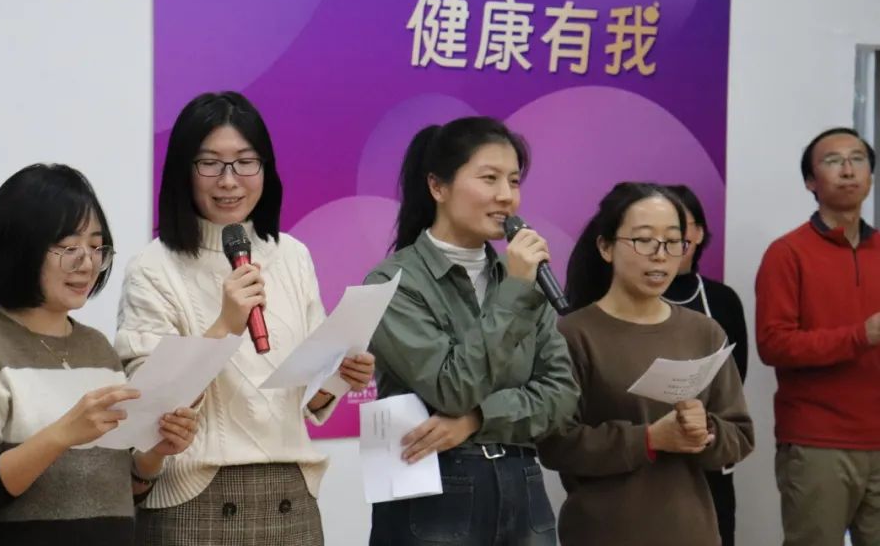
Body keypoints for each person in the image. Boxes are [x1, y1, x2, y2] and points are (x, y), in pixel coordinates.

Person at [114, 91, 375, 546]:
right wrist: (224, 327)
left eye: (245, 162)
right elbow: (149, 410)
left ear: (265, 168)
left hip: (292, 501)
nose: (229, 180)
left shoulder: (293, 256)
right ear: (183, 171)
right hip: (194, 507)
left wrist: (338, 377)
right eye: (210, 163)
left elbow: (304, 397)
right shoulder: (152, 268)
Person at [0, 164, 198, 545]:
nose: (87, 262)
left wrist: (153, 455)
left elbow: (114, 494)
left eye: (96, 247)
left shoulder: (98, 350)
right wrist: (62, 434)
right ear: (19, 248)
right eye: (68, 247)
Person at [365, 116, 579, 546]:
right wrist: (515, 291)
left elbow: (562, 396)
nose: (506, 196)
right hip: (434, 497)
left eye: (514, 181)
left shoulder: (521, 278)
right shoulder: (394, 283)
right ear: (437, 187)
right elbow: (451, 389)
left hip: (523, 488)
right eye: (489, 178)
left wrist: (479, 419)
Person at [537, 181, 754, 546]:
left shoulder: (704, 332)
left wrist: (705, 431)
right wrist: (650, 439)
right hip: (603, 533)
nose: (660, 254)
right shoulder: (572, 334)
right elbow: (556, 445)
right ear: (606, 247)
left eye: (672, 241)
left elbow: (740, 435)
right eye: (643, 240)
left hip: (692, 531)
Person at [755, 127, 880, 546]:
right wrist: (859, 336)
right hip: (817, 442)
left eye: (857, 159)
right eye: (832, 161)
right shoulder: (787, 253)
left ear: (870, 176)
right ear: (810, 181)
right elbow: (774, 344)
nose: (848, 170)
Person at [663, 184, 748, 546]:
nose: (671, 237)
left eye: (680, 225)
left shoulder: (722, 300)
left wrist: (701, 426)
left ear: (698, 232)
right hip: (645, 454)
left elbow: (735, 380)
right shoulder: (624, 300)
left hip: (708, 451)